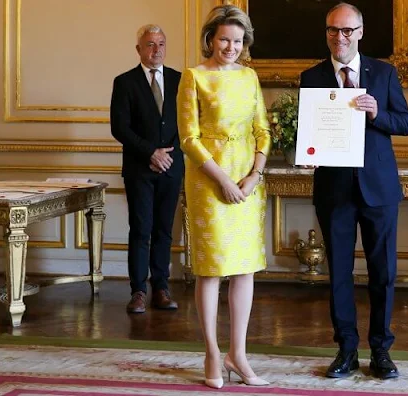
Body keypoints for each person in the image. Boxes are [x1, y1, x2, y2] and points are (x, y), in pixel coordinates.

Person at [300, 2, 408, 380]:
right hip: (334, 191)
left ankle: (381, 350)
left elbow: (406, 123)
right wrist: (306, 151)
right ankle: (346, 350)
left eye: (347, 30)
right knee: (340, 276)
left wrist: (377, 113)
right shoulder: (312, 77)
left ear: (360, 32)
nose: (340, 37)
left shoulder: (383, 73)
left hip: (378, 190)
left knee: (383, 273)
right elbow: (308, 131)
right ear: (326, 33)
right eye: (334, 30)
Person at [176, 5, 271, 390]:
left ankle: (239, 354)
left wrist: (253, 177)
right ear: (210, 40)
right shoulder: (194, 76)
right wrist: (224, 181)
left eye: (237, 40)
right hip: (208, 183)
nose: (230, 46)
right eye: (223, 39)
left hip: (248, 183)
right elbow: (188, 139)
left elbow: (263, 130)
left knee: (245, 267)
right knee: (211, 269)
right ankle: (213, 353)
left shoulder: (249, 78)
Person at [110, 24, 184, 314]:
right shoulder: (125, 82)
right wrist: (150, 152)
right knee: (141, 230)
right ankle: (138, 290)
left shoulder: (180, 80)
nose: (157, 50)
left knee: (164, 230)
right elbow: (120, 127)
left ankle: (161, 288)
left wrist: (168, 154)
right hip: (140, 169)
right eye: (151, 44)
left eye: (161, 44)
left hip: (172, 167)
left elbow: (188, 124)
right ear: (139, 49)